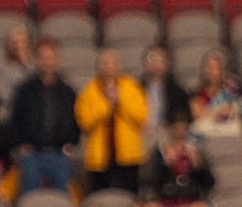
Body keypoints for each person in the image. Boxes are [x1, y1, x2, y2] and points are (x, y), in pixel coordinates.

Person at [9, 39, 81, 194]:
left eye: (51, 58)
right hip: (32, 153)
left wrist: (71, 144)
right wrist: (21, 145)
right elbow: (15, 120)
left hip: (59, 154)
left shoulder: (68, 92)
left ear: (57, 60)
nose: (47, 62)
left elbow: (76, 122)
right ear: (37, 60)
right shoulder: (25, 90)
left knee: (61, 198)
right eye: (43, 58)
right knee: (30, 197)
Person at [75, 49, 149, 195]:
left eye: (112, 63)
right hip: (99, 158)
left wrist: (120, 101)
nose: (108, 67)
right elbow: (85, 121)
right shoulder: (89, 90)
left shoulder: (131, 87)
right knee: (100, 196)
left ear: (118, 66)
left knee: (129, 196)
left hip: (128, 156)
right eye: (104, 63)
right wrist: (107, 105)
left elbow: (141, 116)